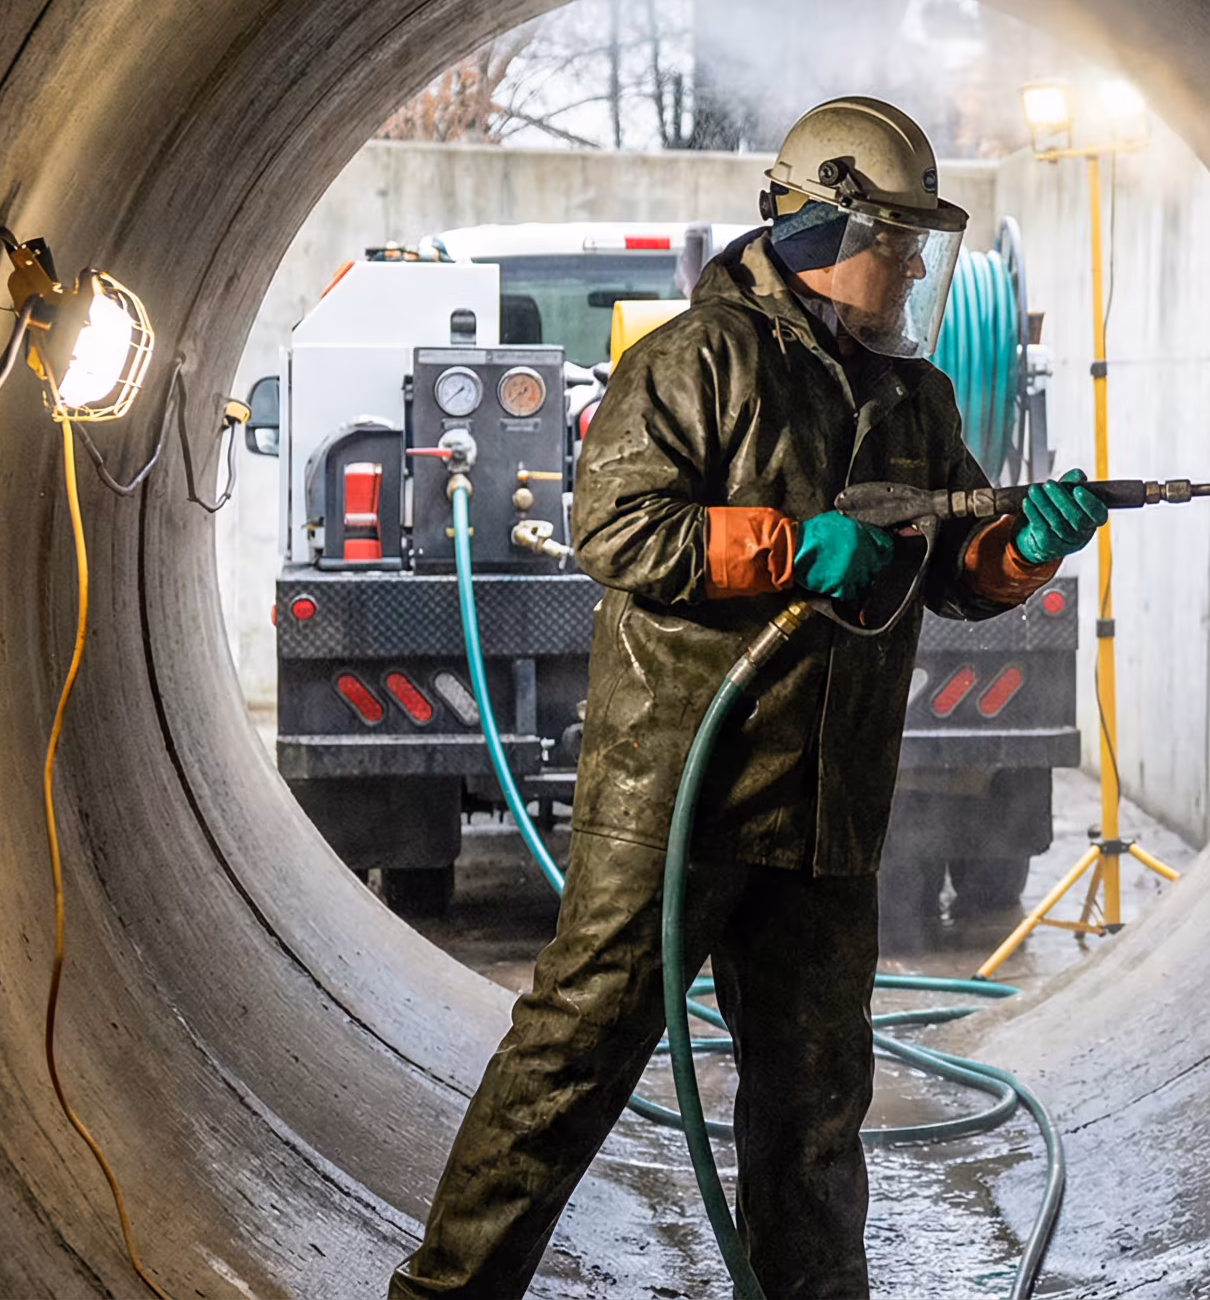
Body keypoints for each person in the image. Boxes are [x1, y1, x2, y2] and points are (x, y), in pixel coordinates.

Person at [389, 97, 1108, 1299]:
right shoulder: (690, 362)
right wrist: (789, 548)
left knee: (817, 1114)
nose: (917, 266)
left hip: (824, 816)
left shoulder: (913, 400)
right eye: (901, 238)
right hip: (675, 795)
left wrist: (1023, 547)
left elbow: (956, 578)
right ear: (824, 226)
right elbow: (617, 531)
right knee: (569, 1064)